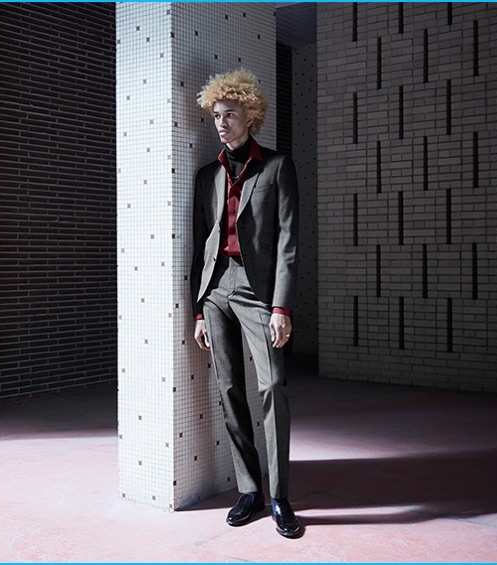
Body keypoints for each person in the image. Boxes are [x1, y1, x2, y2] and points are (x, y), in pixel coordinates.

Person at [190, 69, 301, 539]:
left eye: (229, 114)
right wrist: (196, 308)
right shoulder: (207, 175)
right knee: (229, 388)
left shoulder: (277, 167)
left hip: (258, 291)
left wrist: (281, 307)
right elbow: (200, 244)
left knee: (272, 384)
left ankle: (280, 496)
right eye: (216, 115)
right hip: (216, 289)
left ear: (249, 115)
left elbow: (289, 242)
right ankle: (249, 490)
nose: (221, 123)